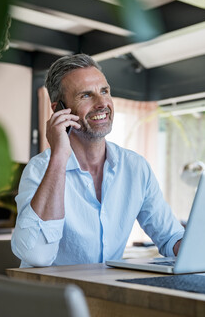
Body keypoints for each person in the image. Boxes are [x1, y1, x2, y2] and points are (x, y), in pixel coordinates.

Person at [11, 53, 184, 267]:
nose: (102, 103)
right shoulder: (40, 169)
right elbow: (37, 256)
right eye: (86, 95)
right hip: (53, 296)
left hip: (108, 294)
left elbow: (170, 237)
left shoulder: (135, 168)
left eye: (104, 91)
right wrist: (59, 156)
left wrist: (197, 247)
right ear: (59, 110)